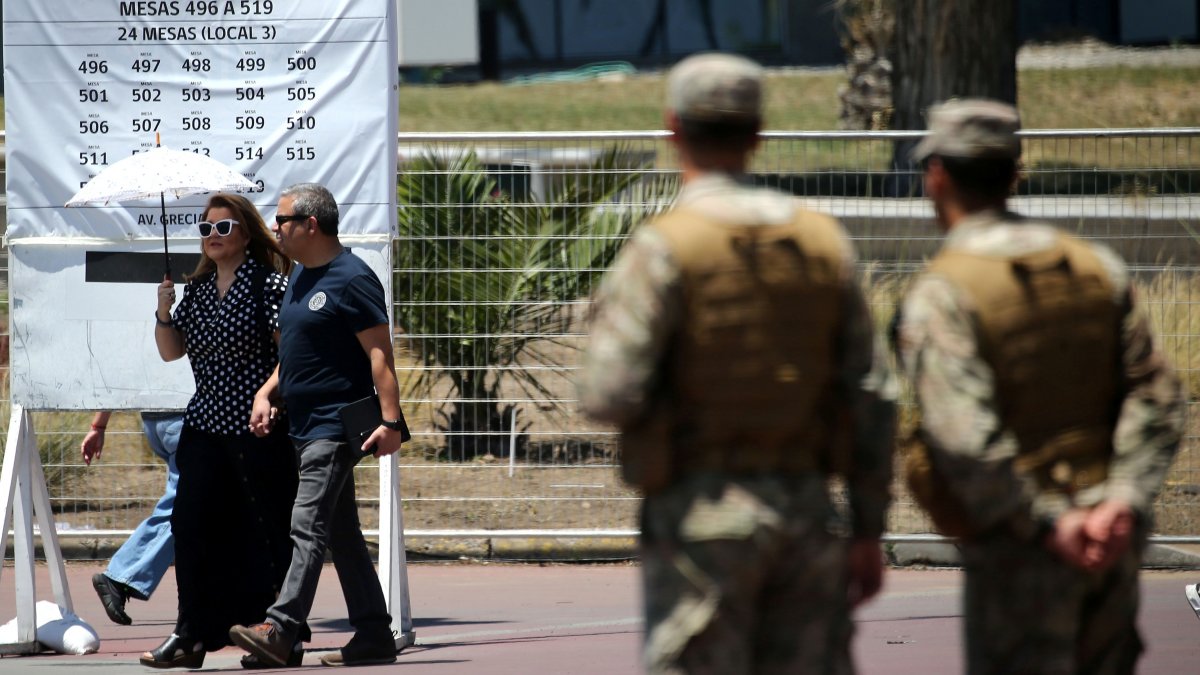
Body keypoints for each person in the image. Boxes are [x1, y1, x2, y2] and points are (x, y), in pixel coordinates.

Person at [578, 53, 896, 674]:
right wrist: (867, 528)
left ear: (672, 129)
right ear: (757, 135)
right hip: (808, 518)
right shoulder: (822, 242)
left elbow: (608, 392)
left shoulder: (665, 248)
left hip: (699, 521)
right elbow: (874, 395)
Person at [893, 98, 1186, 674]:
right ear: (1015, 173)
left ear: (937, 177)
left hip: (1021, 558)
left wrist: (1050, 523)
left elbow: (965, 438)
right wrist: (1119, 502)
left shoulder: (943, 295)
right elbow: (1157, 395)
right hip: (1110, 547)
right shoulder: (1093, 267)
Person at [229, 182, 404, 668]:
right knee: (341, 534)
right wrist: (268, 391)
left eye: (282, 220)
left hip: (335, 426)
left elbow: (380, 356)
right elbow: (295, 354)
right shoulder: (300, 278)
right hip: (302, 427)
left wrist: (391, 421)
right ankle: (373, 634)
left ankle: (280, 630)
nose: (274, 228)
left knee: (306, 527)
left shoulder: (352, 278)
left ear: (310, 224)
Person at [140, 193, 302, 670]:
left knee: (267, 532)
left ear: (247, 234)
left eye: (224, 228)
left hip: (258, 430)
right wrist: (164, 310)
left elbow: (289, 354)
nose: (213, 236)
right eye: (206, 229)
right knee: (190, 527)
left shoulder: (269, 286)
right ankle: (191, 635)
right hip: (205, 426)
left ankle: (280, 635)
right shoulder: (200, 290)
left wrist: (267, 395)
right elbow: (171, 352)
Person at [82, 409, 184, 626]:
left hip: (153, 418)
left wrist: (98, 425)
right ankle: (122, 575)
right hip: (184, 416)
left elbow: (117, 377)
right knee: (184, 504)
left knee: (202, 502)